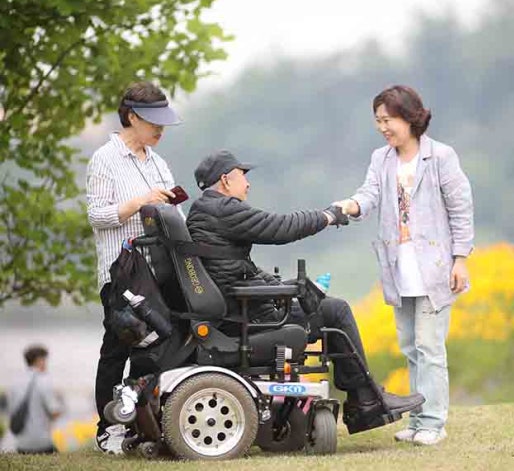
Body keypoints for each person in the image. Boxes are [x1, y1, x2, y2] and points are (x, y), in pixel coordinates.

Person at [186, 149, 425, 434]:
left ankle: (364, 399)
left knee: (325, 306)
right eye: (243, 176)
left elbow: (237, 268)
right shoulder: (224, 210)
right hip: (249, 320)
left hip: (240, 311)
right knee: (335, 312)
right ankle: (365, 403)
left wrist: (286, 288)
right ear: (225, 180)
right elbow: (280, 228)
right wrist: (327, 216)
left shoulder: (203, 212)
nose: (248, 184)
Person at [333, 85, 474, 446]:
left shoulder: (440, 157)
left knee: (430, 347)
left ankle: (433, 422)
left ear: (410, 117)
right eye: (378, 121)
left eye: (389, 119)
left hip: (435, 268)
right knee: (411, 346)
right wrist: (350, 206)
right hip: (399, 268)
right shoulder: (381, 159)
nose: (383, 127)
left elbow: (460, 209)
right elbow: (369, 195)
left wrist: (461, 259)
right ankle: (418, 418)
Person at [86, 81, 183, 452]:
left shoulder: (159, 163)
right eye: (153, 122)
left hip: (156, 274)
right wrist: (140, 202)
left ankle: (141, 425)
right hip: (120, 274)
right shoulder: (104, 159)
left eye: (163, 122)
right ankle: (107, 430)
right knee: (118, 347)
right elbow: (97, 216)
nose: (160, 130)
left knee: (156, 347)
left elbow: (174, 214)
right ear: (131, 117)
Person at [8, 345, 63, 454]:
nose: (46, 364)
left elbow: (11, 411)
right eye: (44, 360)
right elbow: (55, 412)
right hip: (41, 442)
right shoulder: (43, 380)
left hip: (20, 443)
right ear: (39, 361)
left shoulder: (15, 382)